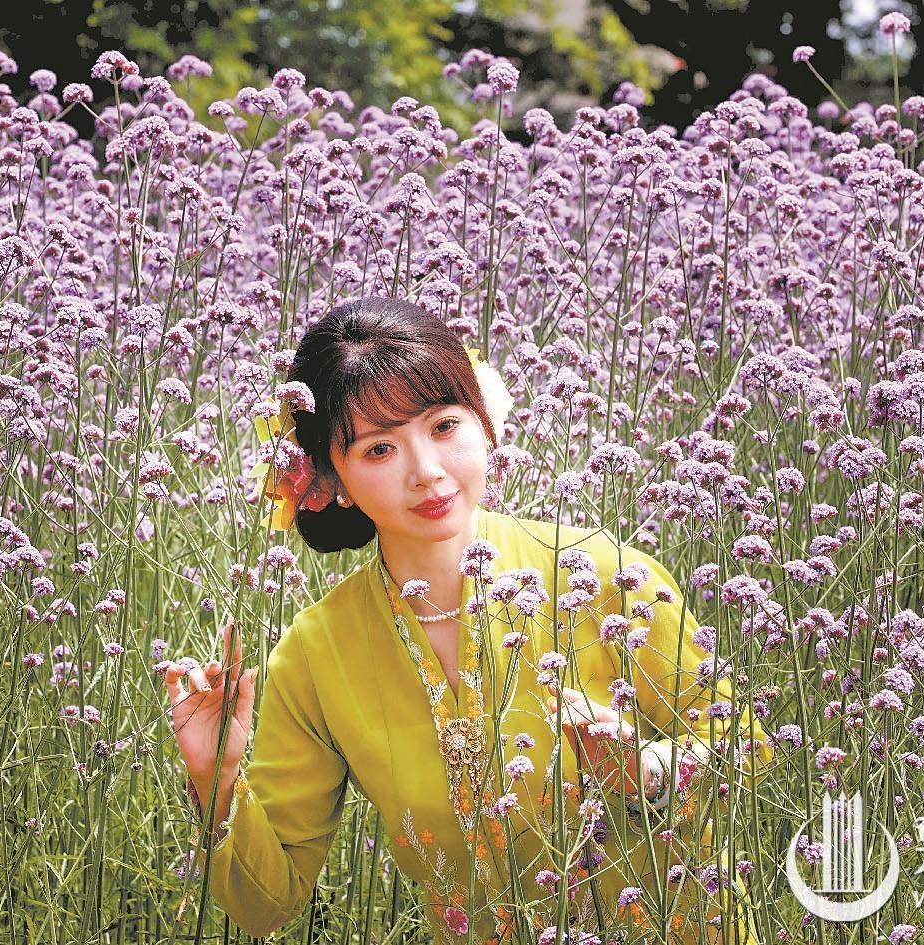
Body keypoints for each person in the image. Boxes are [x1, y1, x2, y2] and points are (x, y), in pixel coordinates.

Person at [165, 297, 770, 943]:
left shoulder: (604, 576)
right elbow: (267, 905)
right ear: (330, 476)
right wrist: (216, 780)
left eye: (444, 425)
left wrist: (646, 770)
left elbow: (748, 748)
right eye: (379, 449)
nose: (426, 472)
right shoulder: (316, 654)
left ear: (485, 420)